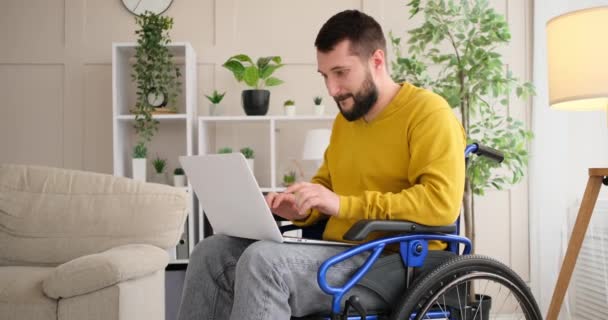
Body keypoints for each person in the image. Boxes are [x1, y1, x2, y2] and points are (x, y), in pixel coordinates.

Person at [177, 9, 465, 320]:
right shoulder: (347, 121)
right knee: (212, 252)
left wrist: (344, 205)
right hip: (341, 253)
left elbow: (441, 203)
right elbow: (327, 186)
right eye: (325, 75)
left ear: (377, 61)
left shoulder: (428, 113)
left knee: (265, 262)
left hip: (394, 262)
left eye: (341, 72)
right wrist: (302, 207)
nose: (332, 89)